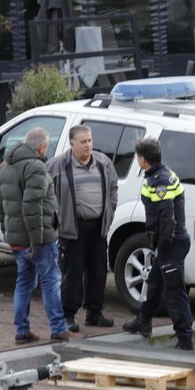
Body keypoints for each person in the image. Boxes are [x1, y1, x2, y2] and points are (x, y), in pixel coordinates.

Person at [0, 126, 69, 343]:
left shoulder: (7, 165)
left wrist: (7, 232)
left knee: (24, 283)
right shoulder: (35, 166)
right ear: (41, 147)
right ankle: (58, 328)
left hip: (17, 239)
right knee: (50, 281)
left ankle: (21, 330)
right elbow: (32, 206)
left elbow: (1, 203)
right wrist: (36, 242)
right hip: (39, 238)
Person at [122, 137, 194, 350]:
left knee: (174, 293)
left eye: (138, 157)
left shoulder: (160, 181)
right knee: (154, 282)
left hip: (171, 243)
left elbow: (167, 219)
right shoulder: (159, 175)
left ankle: (185, 339)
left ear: (143, 159)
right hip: (168, 242)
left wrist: (163, 245)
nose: (137, 160)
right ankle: (144, 321)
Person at [48, 125, 118, 332]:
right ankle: (68, 315)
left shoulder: (104, 163)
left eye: (89, 141)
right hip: (73, 227)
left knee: (98, 271)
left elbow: (113, 188)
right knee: (73, 273)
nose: (88, 145)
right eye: (83, 142)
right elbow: (45, 192)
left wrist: (110, 210)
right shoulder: (57, 165)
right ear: (72, 144)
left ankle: (94, 313)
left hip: (98, 226)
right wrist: (56, 217)